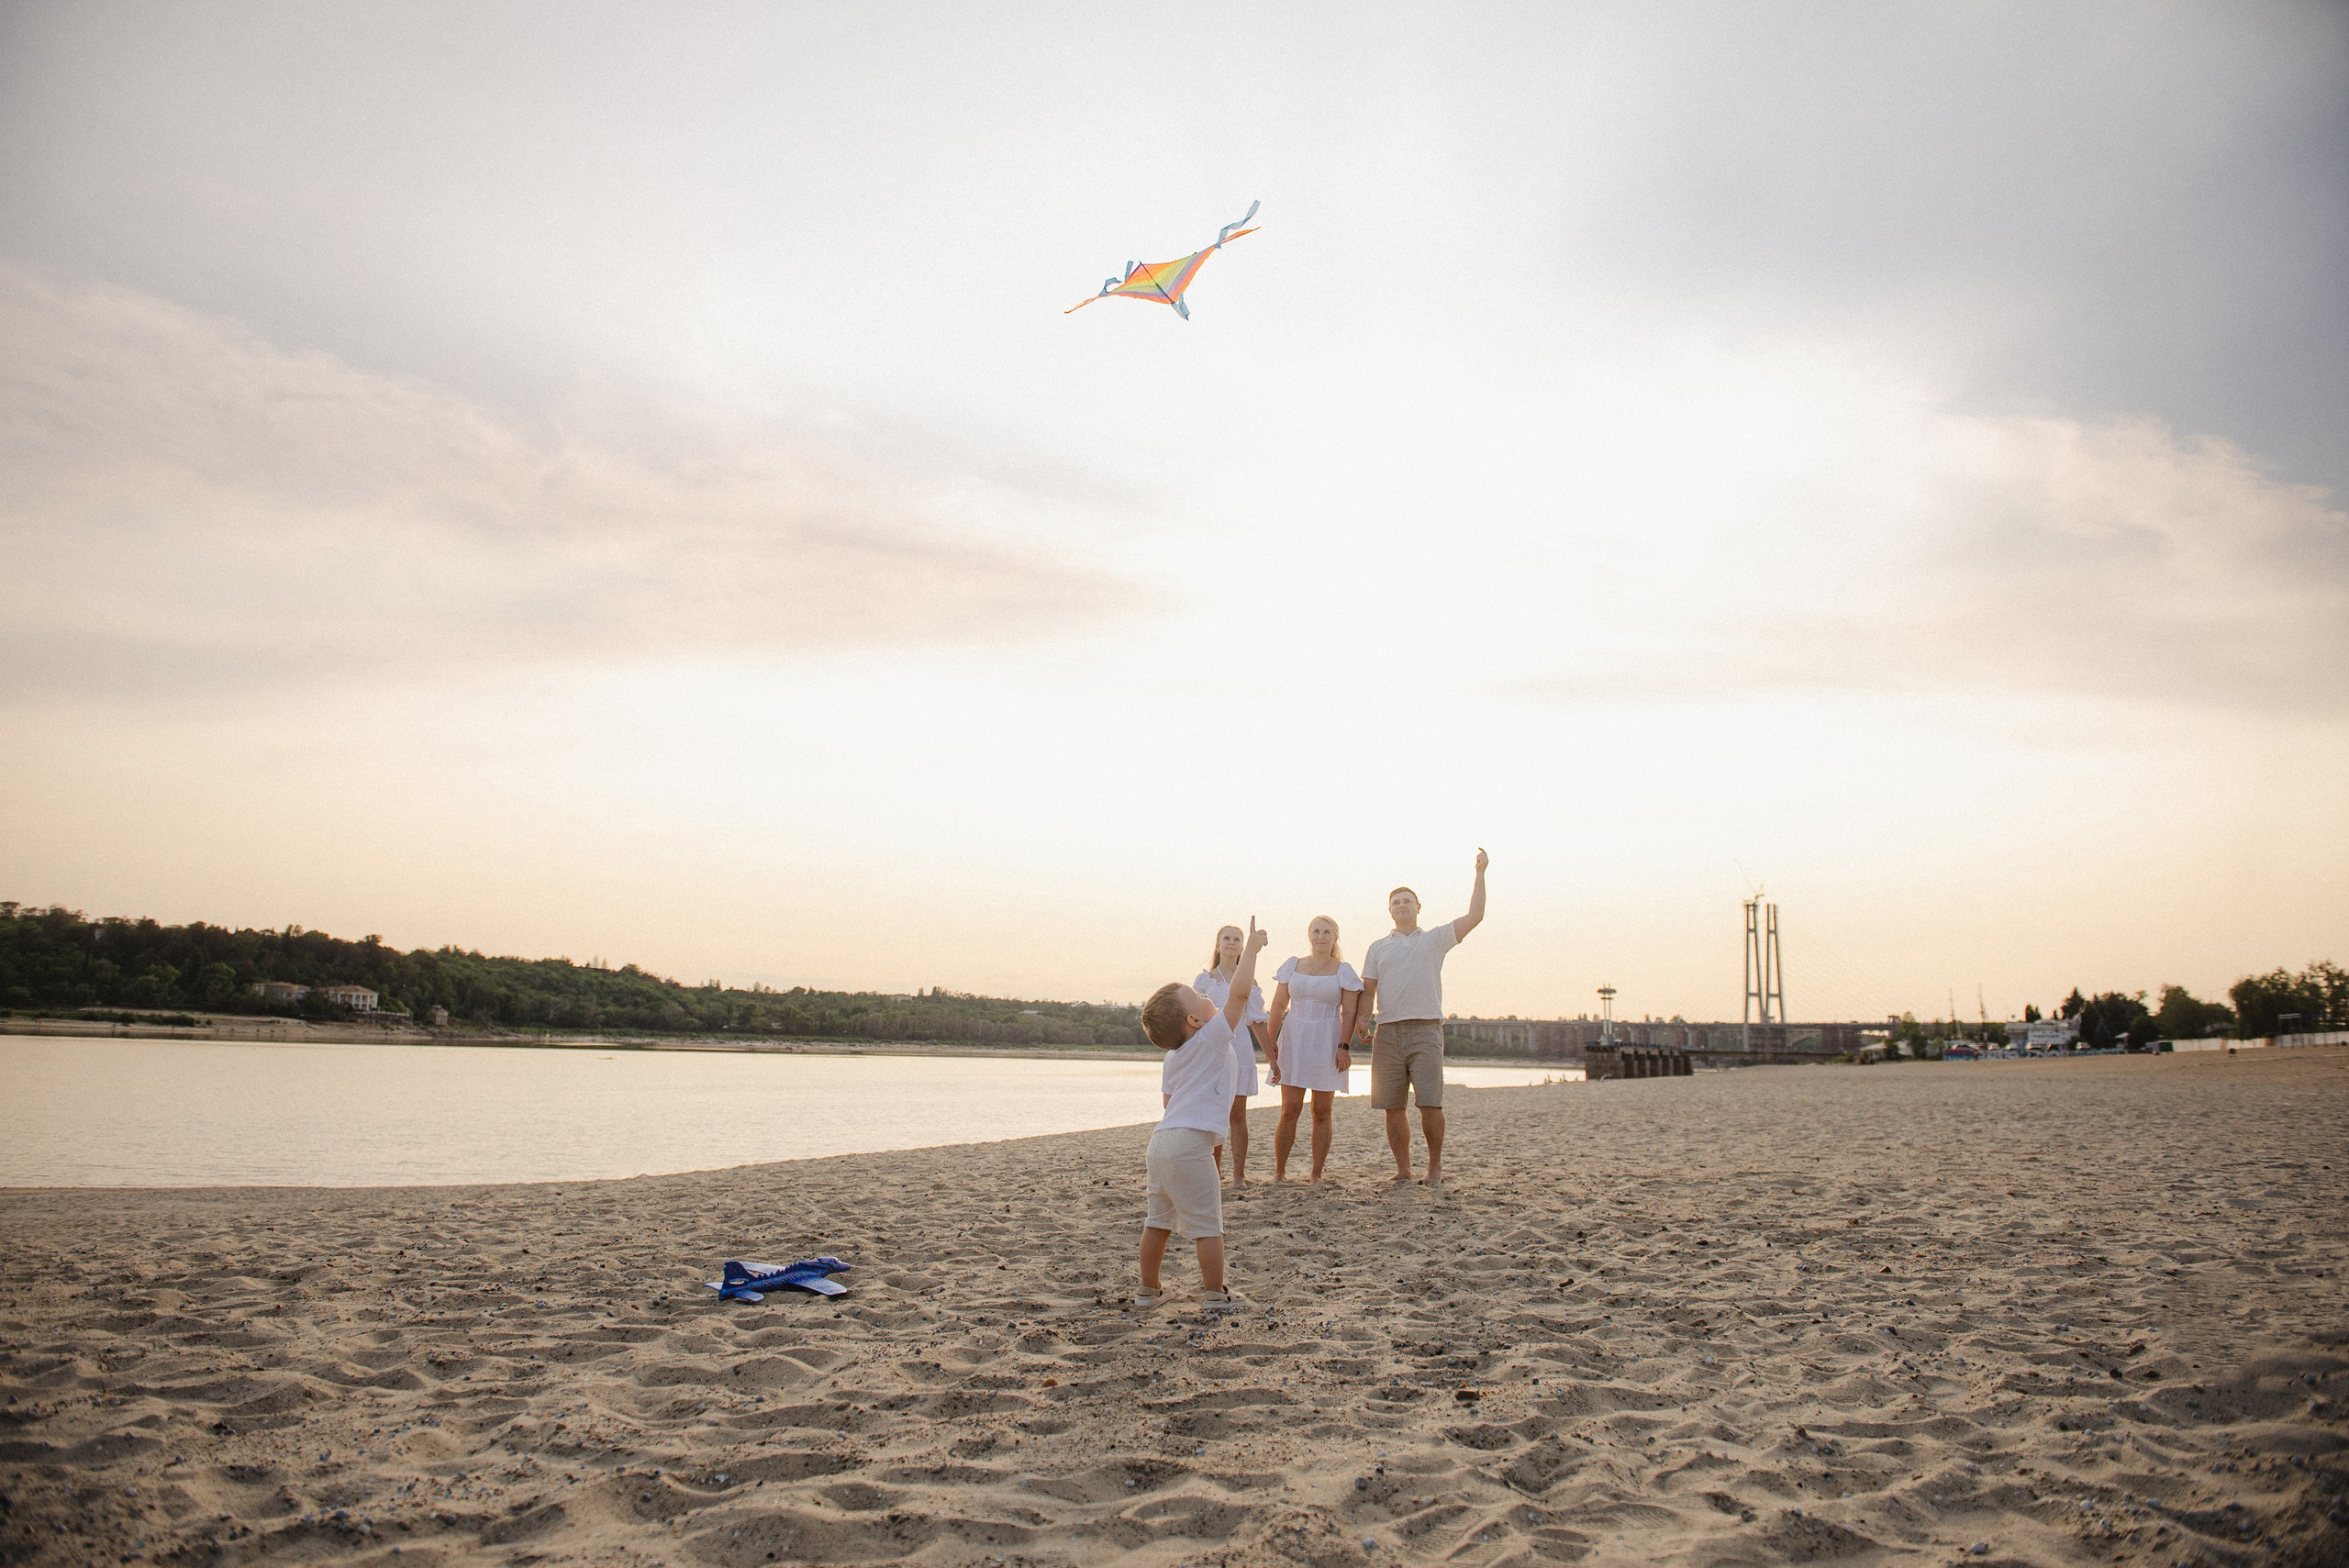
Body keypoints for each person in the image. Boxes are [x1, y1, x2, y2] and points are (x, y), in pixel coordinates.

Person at [1137, 917, 1268, 1311]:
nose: (1207, 995)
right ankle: (1215, 1293)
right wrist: (1253, 951)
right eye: (1198, 995)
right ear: (1195, 1020)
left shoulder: (1174, 1056)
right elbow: (1240, 994)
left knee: (1157, 1220)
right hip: (1188, 1146)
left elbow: (1168, 1102)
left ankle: (1148, 1291)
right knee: (1209, 1224)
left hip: (1161, 1143)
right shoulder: (1211, 1037)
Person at [1358, 849, 1487, 1187]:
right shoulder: (1377, 947)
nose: (1402, 906)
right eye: (1396, 902)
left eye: (1407, 901)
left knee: (1430, 1104)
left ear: (1418, 908)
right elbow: (1367, 990)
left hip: (1426, 1031)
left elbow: (1475, 915)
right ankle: (1403, 1169)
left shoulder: (1435, 939)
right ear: (1389, 910)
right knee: (1392, 1106)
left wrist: (1480, 873)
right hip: (1387, 1032)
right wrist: (1361, 1021)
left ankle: (1434, 1168)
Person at [1265, 917, 1362, 1183]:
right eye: (1316, 931)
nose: (1321, 936)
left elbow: (1350, 1012)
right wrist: (1271, 1040)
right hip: (1295, 1036)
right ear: (1309, 935)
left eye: (1327, 932)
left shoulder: (1343, 971)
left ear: (1335, 937)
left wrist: (1344, 1047)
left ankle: (1316, 1174)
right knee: (1289, 1109)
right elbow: (1277, 1004)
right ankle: (1279, 1172)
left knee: (1321, 1111)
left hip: (1327, 1037)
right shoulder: (1293, 965)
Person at [1195, 926, 1273, 1184]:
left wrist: (1272, 1057)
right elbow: (1194, 1020)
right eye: (1226, 938)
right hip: (1212, 1052)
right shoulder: (1204, 981)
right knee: (1216, 1113)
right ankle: (1214, 1175)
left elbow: (1257, 1021)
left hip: (1240, 1051)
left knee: (1238, 1115)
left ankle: (1239, 1175)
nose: (1231, 943)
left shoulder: (1249, 980)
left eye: (1236, 939)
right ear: (1217, 945)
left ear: (1243, 947)